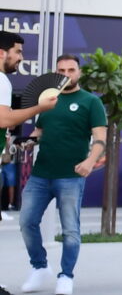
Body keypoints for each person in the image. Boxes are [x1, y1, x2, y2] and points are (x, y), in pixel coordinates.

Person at [19, 54, 106, 295]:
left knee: (70, 230)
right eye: (61, 70)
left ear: (79, 72)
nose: (66, 74)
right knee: (26, 222)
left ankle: (66, 275)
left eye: (71, 69)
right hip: (40, 174)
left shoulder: (91, 102)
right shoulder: (47, 100)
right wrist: (28, 142)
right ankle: (39, 267)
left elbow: (100, 138)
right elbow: (39, 131)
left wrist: (90, 160)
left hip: (71, 176)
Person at [1, 31, 59, 224]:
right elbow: (4, 119)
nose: (21, 58)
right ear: (2, 53)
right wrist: (41, 107)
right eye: (18, 52)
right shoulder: (1, 81)